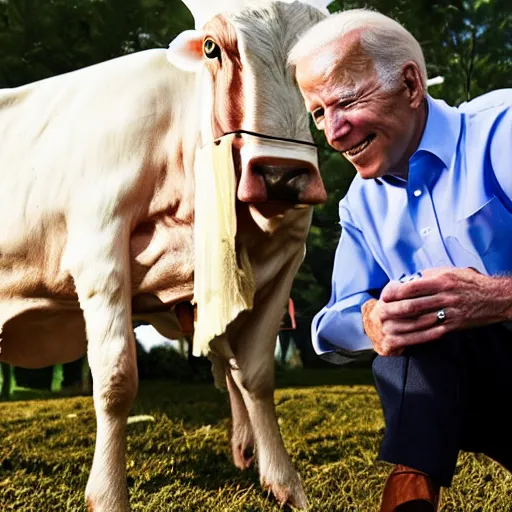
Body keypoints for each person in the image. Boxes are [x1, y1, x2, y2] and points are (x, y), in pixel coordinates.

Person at [288, 8, 512, 512]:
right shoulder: (360, 206)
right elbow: (331, 320)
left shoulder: (502, 133)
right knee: (411, 310)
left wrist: (497, 298)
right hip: (492, 398)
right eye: (318, 112)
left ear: (411, 84)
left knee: (437, 304)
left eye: (345, 102)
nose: (333, 132)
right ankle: (409, 491)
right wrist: (372, 322)